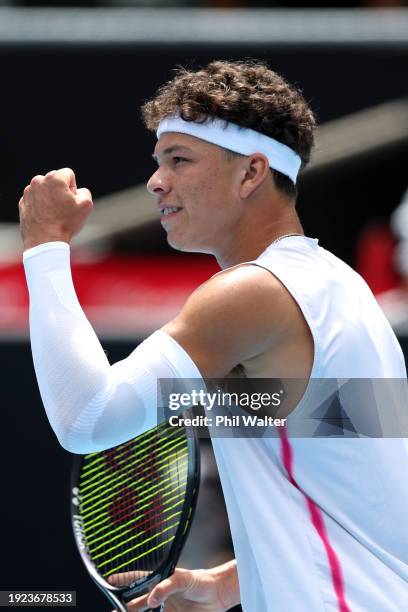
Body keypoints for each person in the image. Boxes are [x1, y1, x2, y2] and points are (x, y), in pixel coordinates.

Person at [19, 60, 408, 611]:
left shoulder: (250, 295)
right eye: (158, 162)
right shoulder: (342, 289)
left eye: (179, 160)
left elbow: (88, 418)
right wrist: (234, 581)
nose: (157, 181)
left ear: (251, 173)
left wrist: (45, 246)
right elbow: (371, 493)